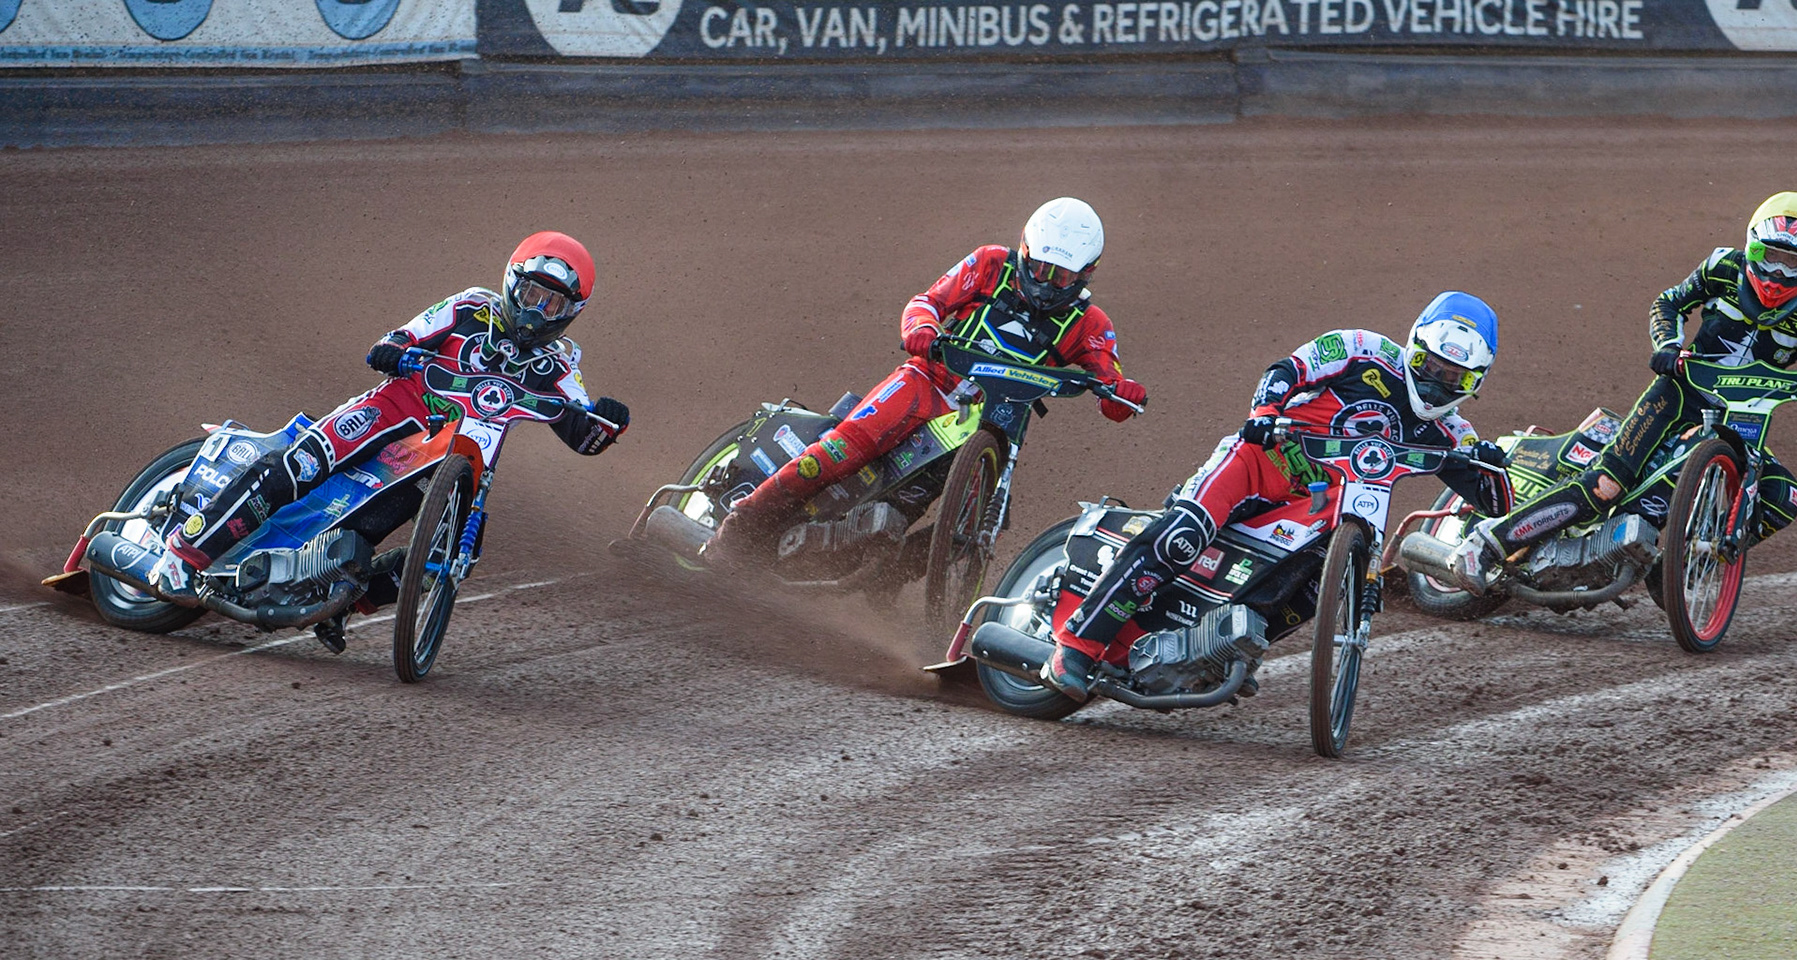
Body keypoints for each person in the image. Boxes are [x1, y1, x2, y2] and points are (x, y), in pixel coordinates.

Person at [1040, 291, 1509, 701]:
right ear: (1413, 345)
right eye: (1431, 366)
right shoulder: (1361, 349)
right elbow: (1288, 369)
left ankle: (1219, 650)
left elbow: (1499, 503)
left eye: (1456, 378)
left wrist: (1493, 463)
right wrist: (1265, 410)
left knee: (1308, 591)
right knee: (1183, 536)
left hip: (1314, 509)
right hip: (1259, 463)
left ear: (1476, 383)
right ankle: (1075, 648)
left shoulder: (1453, 434)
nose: (1437, 384)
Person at [147, 231, 631, 609]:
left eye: (552, 303)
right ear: (511, 282)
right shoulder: (469, 306)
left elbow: (584, 433)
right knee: (303, 464)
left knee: (450, 556)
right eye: (530, 293)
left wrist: (606, 422)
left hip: (443, 465)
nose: (535, 311)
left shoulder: (561, 366)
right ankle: (181, 556)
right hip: (391, 411)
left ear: (572, 312)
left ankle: (337, 602)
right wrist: (397, 354)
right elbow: (396, 339)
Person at [1447, 192, 1797, 596]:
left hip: (1744, 419)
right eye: (1768, 256)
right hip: (1679, 393)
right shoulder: (1722, 267)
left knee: (1782, 498)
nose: (1776, 272)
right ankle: (1486, 546)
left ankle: (1679, 569)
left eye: (1791, 263)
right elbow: (1669, 302)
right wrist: (1667, 345)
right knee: (1605, 486)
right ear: (1751, 248)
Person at [701, 197, 1148, 563]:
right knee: (843, 450)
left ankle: (882, 575)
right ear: (1024, 250)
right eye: (1041, 268)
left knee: (955, 518)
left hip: (993, 424)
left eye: (1062, 275)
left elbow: (1111, 391)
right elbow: (927, 302)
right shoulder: (990, 264)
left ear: (1087, 273)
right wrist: (921, 329)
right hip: (926, 382)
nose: (1048, 284)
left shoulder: (1092, 324)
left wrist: (1123, 393)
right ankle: (735, 533)